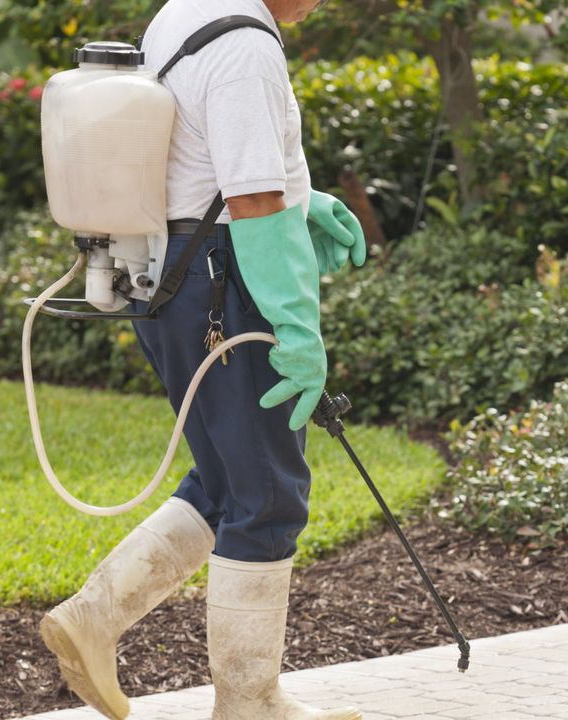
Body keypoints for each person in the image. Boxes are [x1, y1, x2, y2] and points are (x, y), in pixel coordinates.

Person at [37, 0, 367, 718]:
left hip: (166, 277)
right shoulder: (247, 47)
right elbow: (248, 199)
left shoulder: (185, 10)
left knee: (227, 481)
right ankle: (249, 706)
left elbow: (197, 155)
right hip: (222, 286)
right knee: (269, 496)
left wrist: (302, 199)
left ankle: (94, 618)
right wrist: (296, 326)